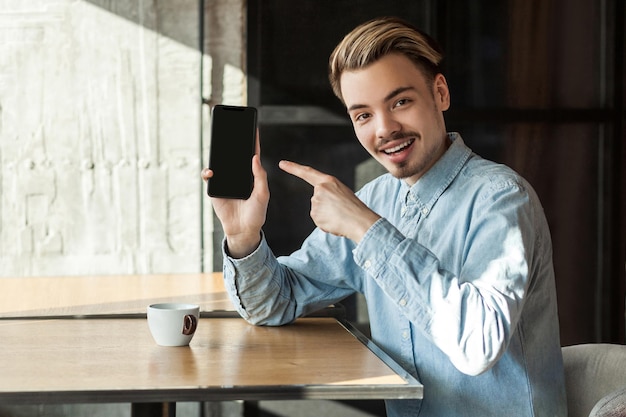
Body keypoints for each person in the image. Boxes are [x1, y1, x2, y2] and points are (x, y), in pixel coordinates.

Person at [202, 16, 567, 417]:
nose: (385, 129)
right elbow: (275, 302)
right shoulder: (374, 198)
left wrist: (365, 227)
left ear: (440, 93)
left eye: (400, 102)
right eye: (363, 115)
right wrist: (243, 236)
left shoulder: (501, 199)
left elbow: (477, 344)